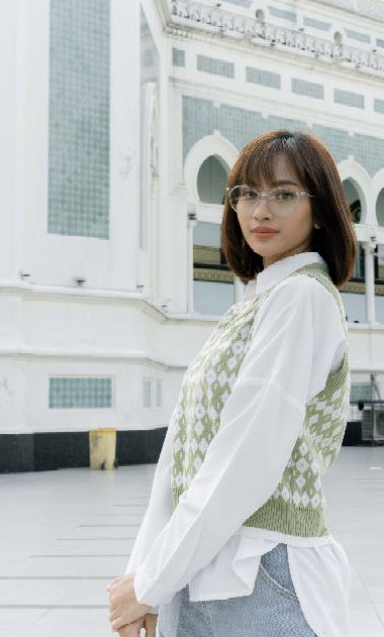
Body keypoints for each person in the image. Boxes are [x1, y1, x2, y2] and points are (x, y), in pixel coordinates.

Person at [107, 130, 357, 637]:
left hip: (263, 578)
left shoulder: (302, 298)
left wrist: (152, 581)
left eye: (284, 194)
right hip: (194, 578)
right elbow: (179, 457)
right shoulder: (253, 306)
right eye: (247, 194)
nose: (260, 210)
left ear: (321, 211)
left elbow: (247, 456)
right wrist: (145, 577)